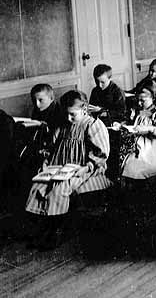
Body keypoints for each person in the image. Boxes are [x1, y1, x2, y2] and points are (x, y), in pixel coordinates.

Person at [25, 90, 112, 250]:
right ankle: (44, 230)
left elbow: (101, 153)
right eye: (66, 114)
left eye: (73, 114)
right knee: (38, 186)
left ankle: (57, 231)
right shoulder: (63, 124)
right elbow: (51, 147)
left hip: (83, 168)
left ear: (84, 110)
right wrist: (45, 162)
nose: (68, 118)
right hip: (59, 165)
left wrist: (87, 166)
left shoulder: (92, 125)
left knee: (60, 189)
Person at [120, 79, 156, 181]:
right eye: (138, 100)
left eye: (143, 100)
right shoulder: (141, 110)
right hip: (140, 147)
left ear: (153, 97)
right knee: (127, 163)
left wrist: (149, 128)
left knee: (135, 168)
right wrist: (122, 125)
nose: (139, 103)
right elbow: (134, 123)